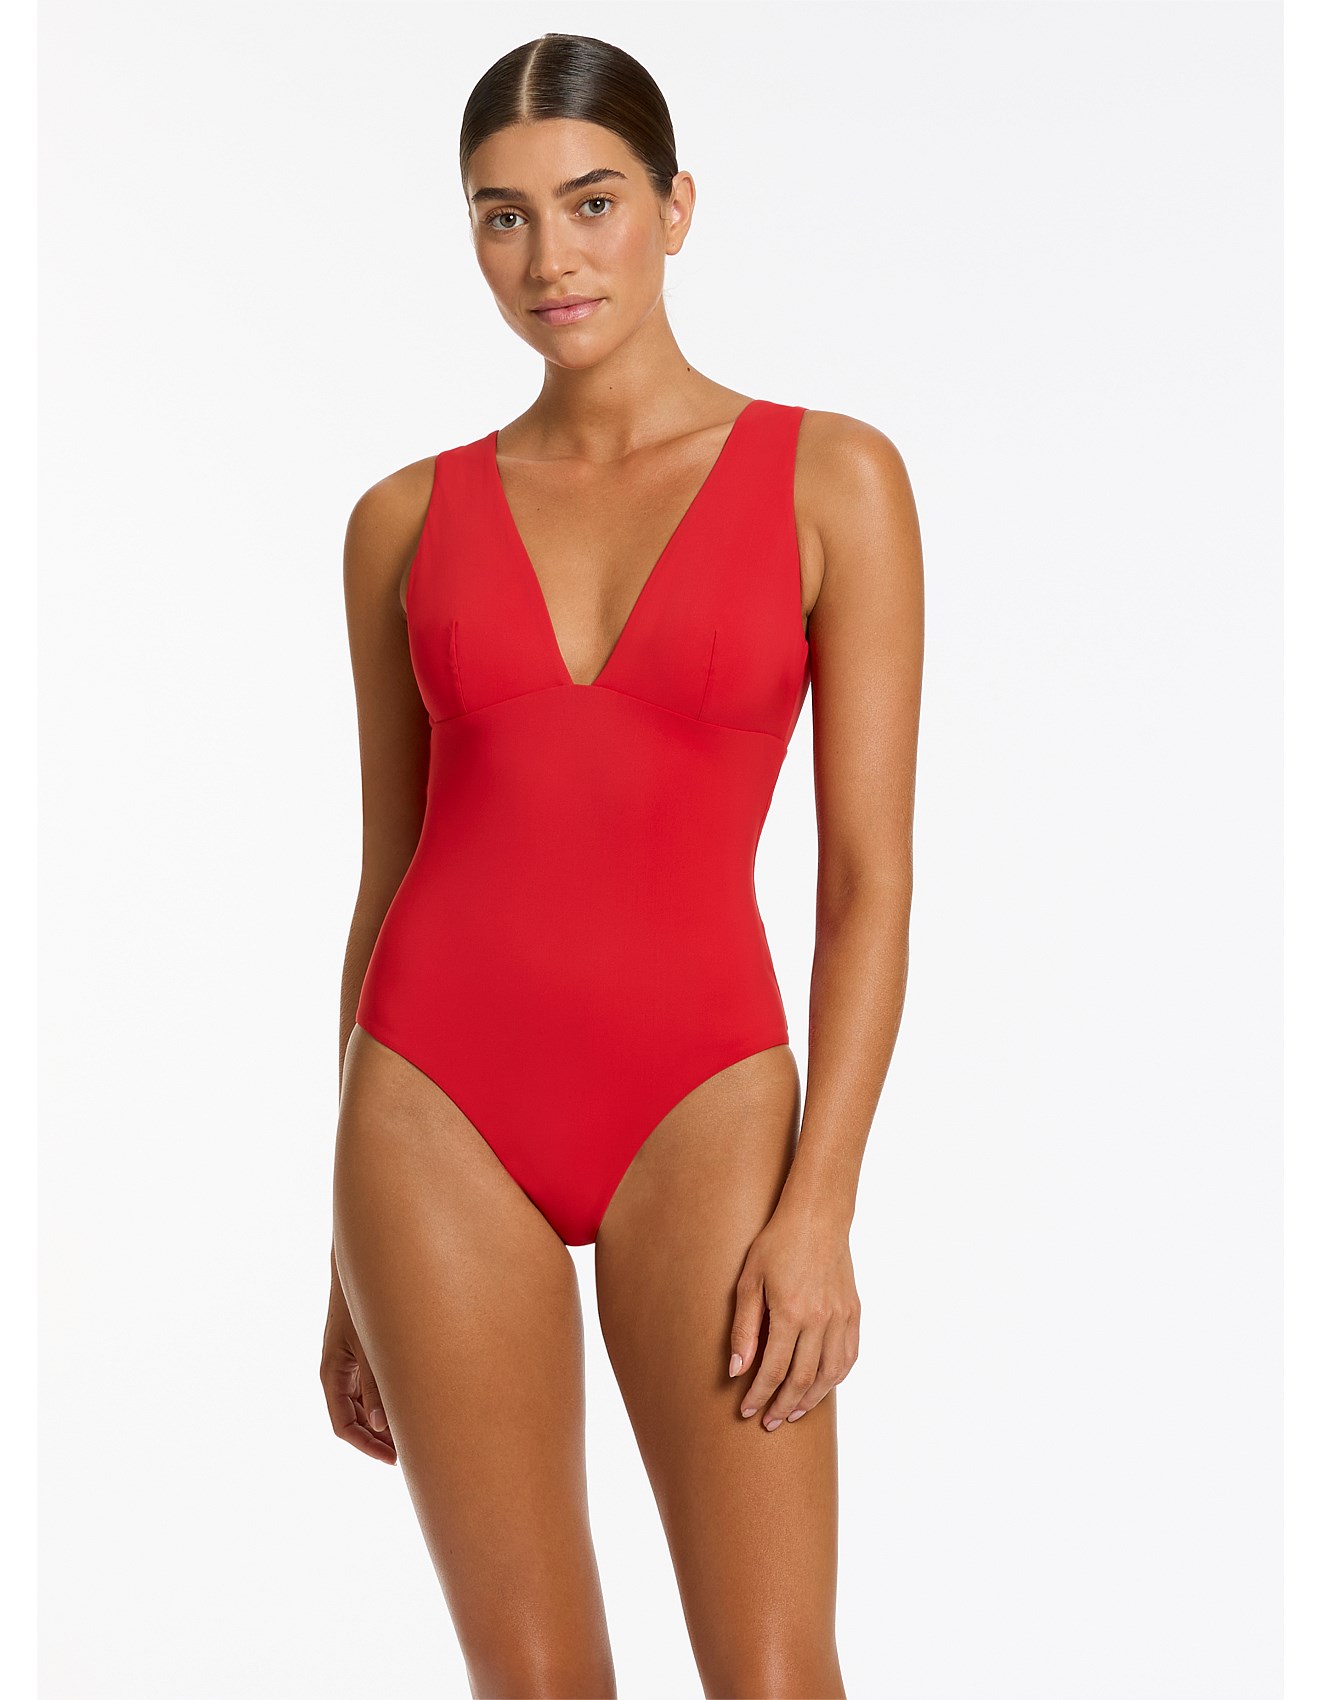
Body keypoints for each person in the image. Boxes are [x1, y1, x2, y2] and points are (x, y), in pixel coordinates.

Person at [321, 30, 923, 1700]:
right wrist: (345, 1252)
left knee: (776, 1673)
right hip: (428, 1110)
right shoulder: (400, 519)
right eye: (502, 217)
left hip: (703, 1102)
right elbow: (386, 873)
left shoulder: (834, 479)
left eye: (591, 203)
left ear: (676, 206)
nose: (551, 259)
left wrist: (823, 1207)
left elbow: (868, 882)